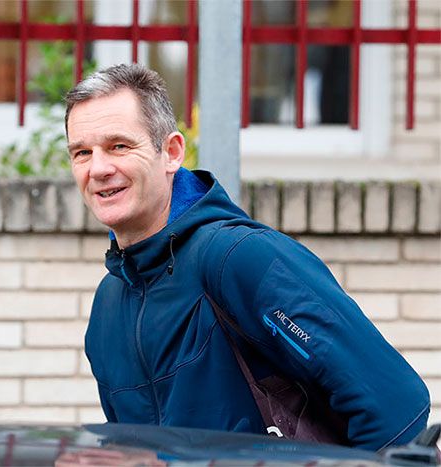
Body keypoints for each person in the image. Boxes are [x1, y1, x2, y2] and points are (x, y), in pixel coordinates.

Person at [64, 63, 430, 451]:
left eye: (119, 146)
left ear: (171, 152)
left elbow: (396, 409)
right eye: (82, 152)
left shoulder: (239, 258)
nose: (98, 168)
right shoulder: (109, 303)